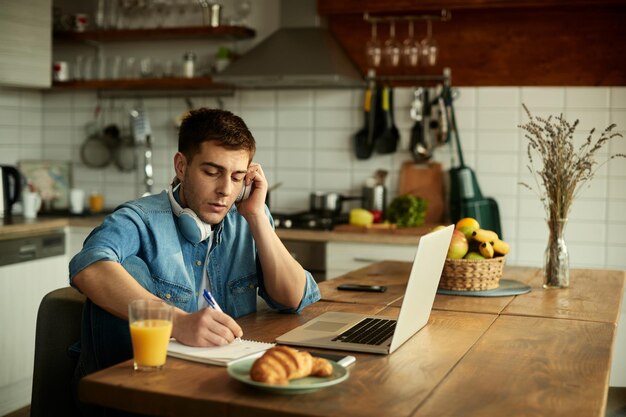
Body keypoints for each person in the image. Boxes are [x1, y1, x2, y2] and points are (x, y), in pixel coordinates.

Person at [69, 108, 320, 410]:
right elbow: (90, 267)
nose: (225, 190)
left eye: (238, 176)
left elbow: (294, 298)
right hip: (142, 390)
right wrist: (179, 323)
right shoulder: (141, 218)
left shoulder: (247, 215)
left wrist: (256, 215)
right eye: (211, 172)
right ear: (181, 166)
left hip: (223, 382)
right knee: (129, 267)